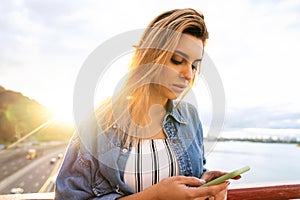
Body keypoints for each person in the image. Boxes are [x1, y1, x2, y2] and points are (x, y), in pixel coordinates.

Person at [55, 8, 238, 200]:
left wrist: (204, 183)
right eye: (177, 60)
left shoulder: (190, 116)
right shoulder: (99, 120)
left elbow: (192, 173)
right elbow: (68, 197)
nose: (189, 75)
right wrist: (155, 196)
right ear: (150, 57)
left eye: (194, 65)